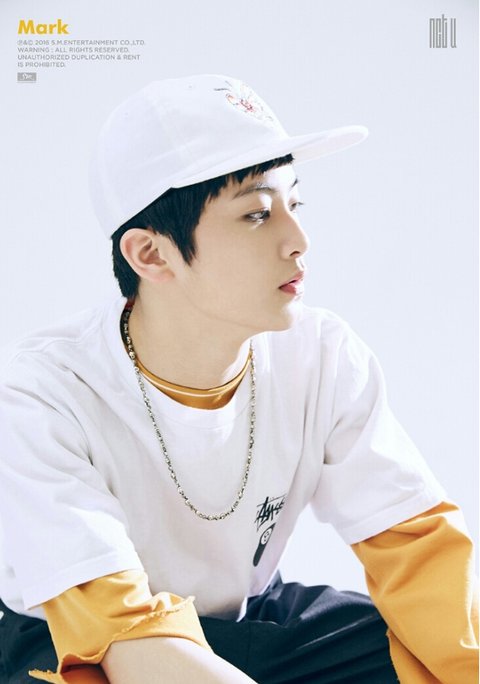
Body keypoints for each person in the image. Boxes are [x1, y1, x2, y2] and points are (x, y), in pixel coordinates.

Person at [0, 74, 477, 684]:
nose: (298, 241)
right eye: (256, 214)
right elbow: (118, 629)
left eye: (294, 205)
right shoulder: (41, 394)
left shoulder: (322, 355)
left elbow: (417, 546)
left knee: (422, 651)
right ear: (151, 254)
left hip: (252, 619)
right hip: (84, 641)